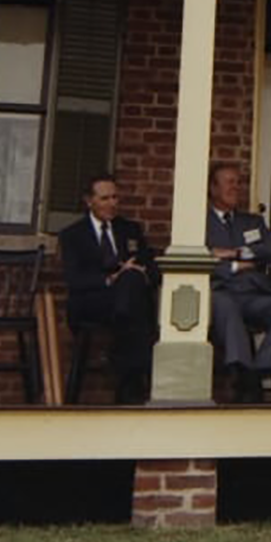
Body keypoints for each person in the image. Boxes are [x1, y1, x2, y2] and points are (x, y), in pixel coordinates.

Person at [58, 173, 159, 404]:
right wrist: (111, 279)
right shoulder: (73, 235)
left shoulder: (130, 229)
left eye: (115, 197)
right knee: (135, 311)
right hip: (93, 302)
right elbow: (75, 280)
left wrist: (140, 271)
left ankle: (123, 329)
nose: (112, 203)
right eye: (105, 198)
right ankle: (132, 384)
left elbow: (153, 269)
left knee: (132, 281)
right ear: (89, 201)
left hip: (127, 300)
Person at [206, 162, 271, 403]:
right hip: (219, 292)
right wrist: (236, 266)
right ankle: (242, 372)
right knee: (227, 306)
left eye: (238, 182)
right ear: (213, 188)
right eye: (229, 182)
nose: (235, 187)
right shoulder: (199, 223)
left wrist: (237, 253)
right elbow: (199, 258)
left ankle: (259, 370)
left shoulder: (252, 222)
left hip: (252, 294)